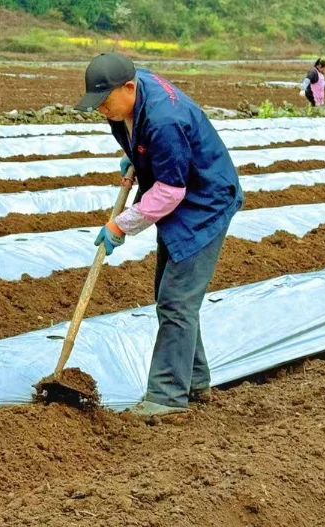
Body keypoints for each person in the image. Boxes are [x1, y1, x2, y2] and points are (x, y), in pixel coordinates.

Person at [77, 52, 243, 417]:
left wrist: (120, 225)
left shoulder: (165, 121)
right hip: (183, 193)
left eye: (105, 101)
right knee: (172, 297)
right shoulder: (129, 101)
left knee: (177, 300)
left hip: (205, 202)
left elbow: (169, 192)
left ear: (129, 87)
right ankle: (194, 381)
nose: (102, 109)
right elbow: (148, 147)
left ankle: (166, 396)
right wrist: (139, 158)